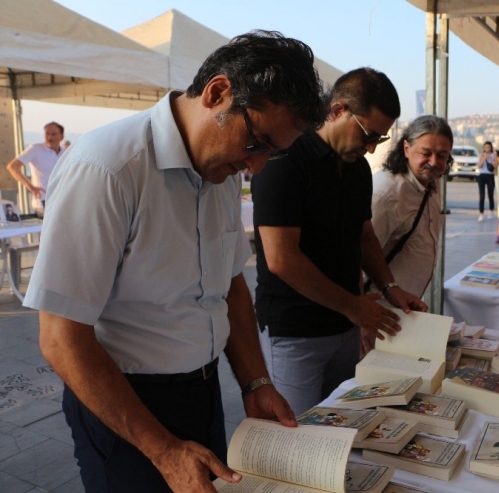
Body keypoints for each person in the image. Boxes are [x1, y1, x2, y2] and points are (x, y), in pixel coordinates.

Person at [24, 31, 328, 493]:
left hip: (203, 393)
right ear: (217, 93)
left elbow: (231, 288)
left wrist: (254, 382)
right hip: (123, 404)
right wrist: (163, 450)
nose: (257, 167)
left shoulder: (222, 172)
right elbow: (61, 338)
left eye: (272, 152)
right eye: (257, 142)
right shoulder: (108, 168)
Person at [252, 67, 426, 416]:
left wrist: (390, 286)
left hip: (344, 328)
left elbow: (364, 236)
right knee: (297, 440)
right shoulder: (286, 159)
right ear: (337, 110)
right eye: (367, 134)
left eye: (380, 139)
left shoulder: (358, 169)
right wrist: (354, 306)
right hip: (295, 333)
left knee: (338, 428)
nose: (372, 147)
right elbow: (281, 259)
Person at [364, 115, 452, 352]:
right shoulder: (387, 193)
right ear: (406, 148)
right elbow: (358, 255)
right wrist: (360, 314)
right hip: (377, 316)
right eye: (426, 153)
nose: (434, 162)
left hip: (403, 314)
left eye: (442, 155)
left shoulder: (432, 184)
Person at [6, 121, 65, 215]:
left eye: (53, 134)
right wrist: (31, 187)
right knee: (44, 229)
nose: (50, 137)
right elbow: (12, 166)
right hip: (43, 200)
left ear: (62, 136)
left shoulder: (66, 152)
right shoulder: (35, 149)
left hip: (63, 199)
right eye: (47, 134)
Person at [476, 141, 496, 221]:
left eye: (489, 147)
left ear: (491, 147)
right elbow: (479, 166)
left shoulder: (494, 155)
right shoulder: (481, 155)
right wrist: (484, 158)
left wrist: (491, 160)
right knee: (482, 195)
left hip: (490, 175)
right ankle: (481, 213)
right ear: (484, 148)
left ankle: (491, 211)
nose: (487, 148)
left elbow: (496, 166)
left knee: (490, 194)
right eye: (486, 147)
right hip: (482, 175)